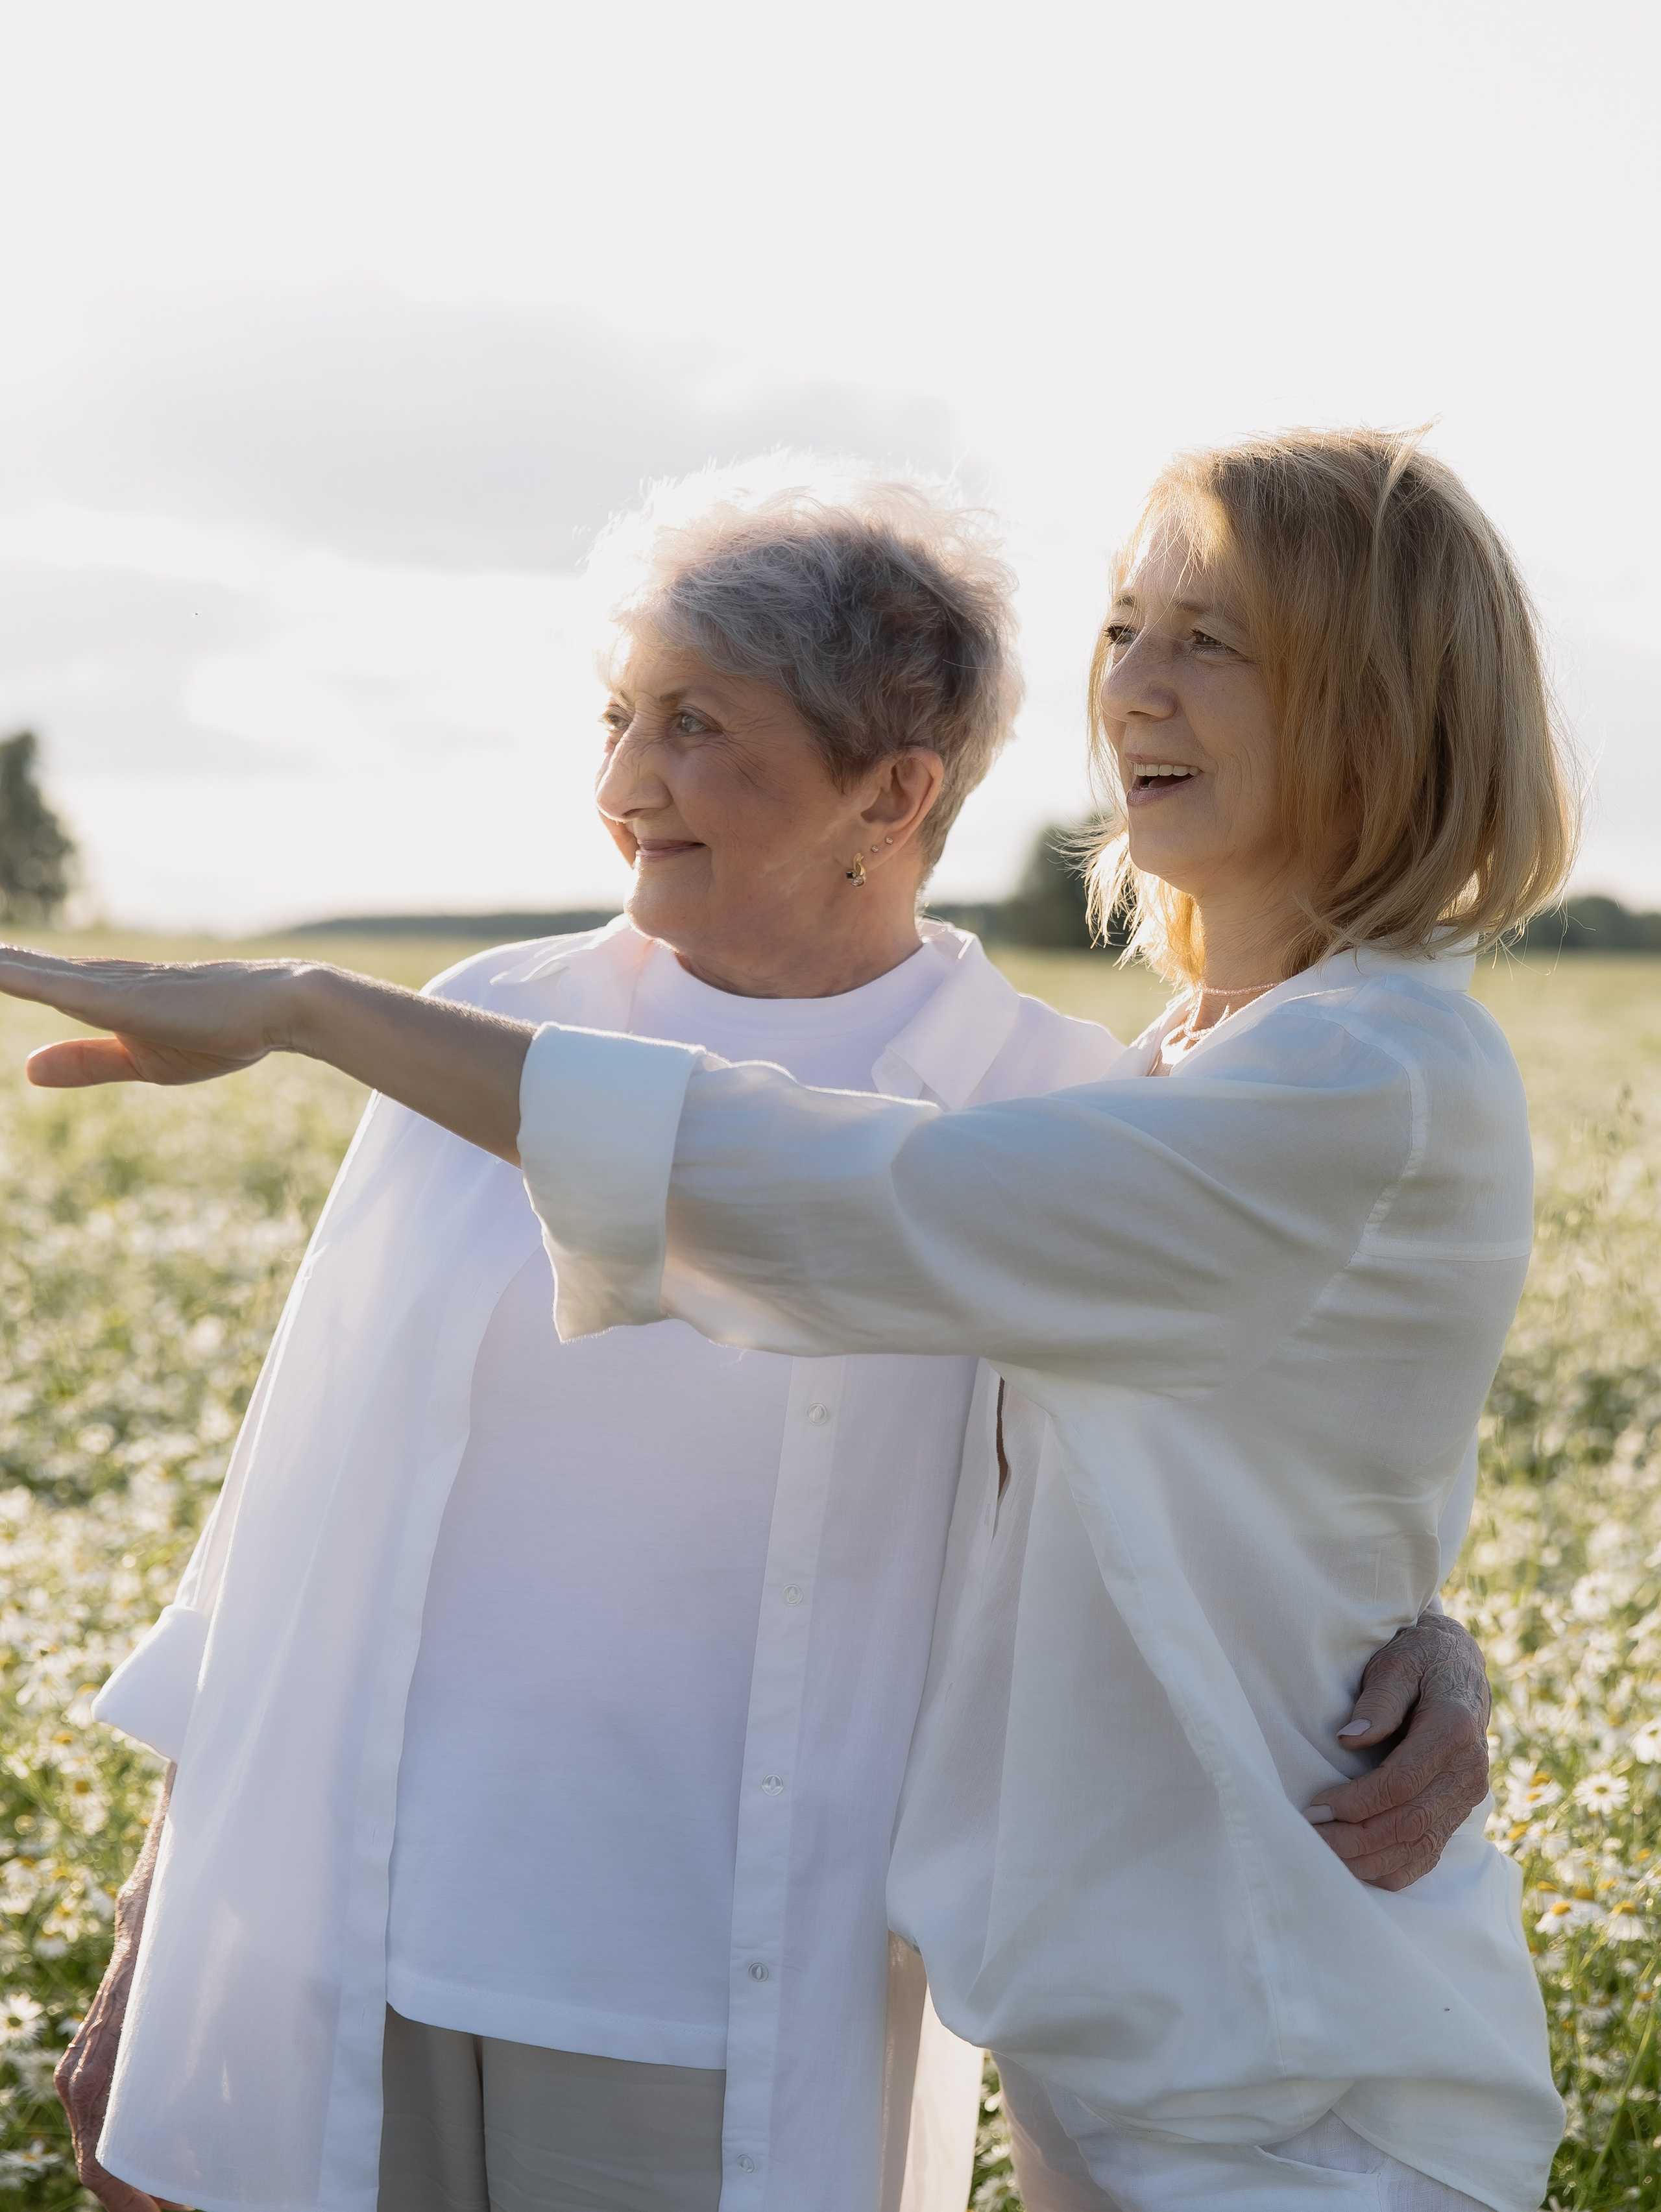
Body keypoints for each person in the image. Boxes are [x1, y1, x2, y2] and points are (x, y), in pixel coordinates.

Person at [5, 445, 1503, 2212]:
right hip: (357, 1949)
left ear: (894, 793)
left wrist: (1415, 1629)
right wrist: (153, 1944)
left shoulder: (1056, 1096)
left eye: (702, 727)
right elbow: (292, 1514)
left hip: (725, 2011)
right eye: (622, 716)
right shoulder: (486, 1021)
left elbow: (1192, 1426)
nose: (634, 780)